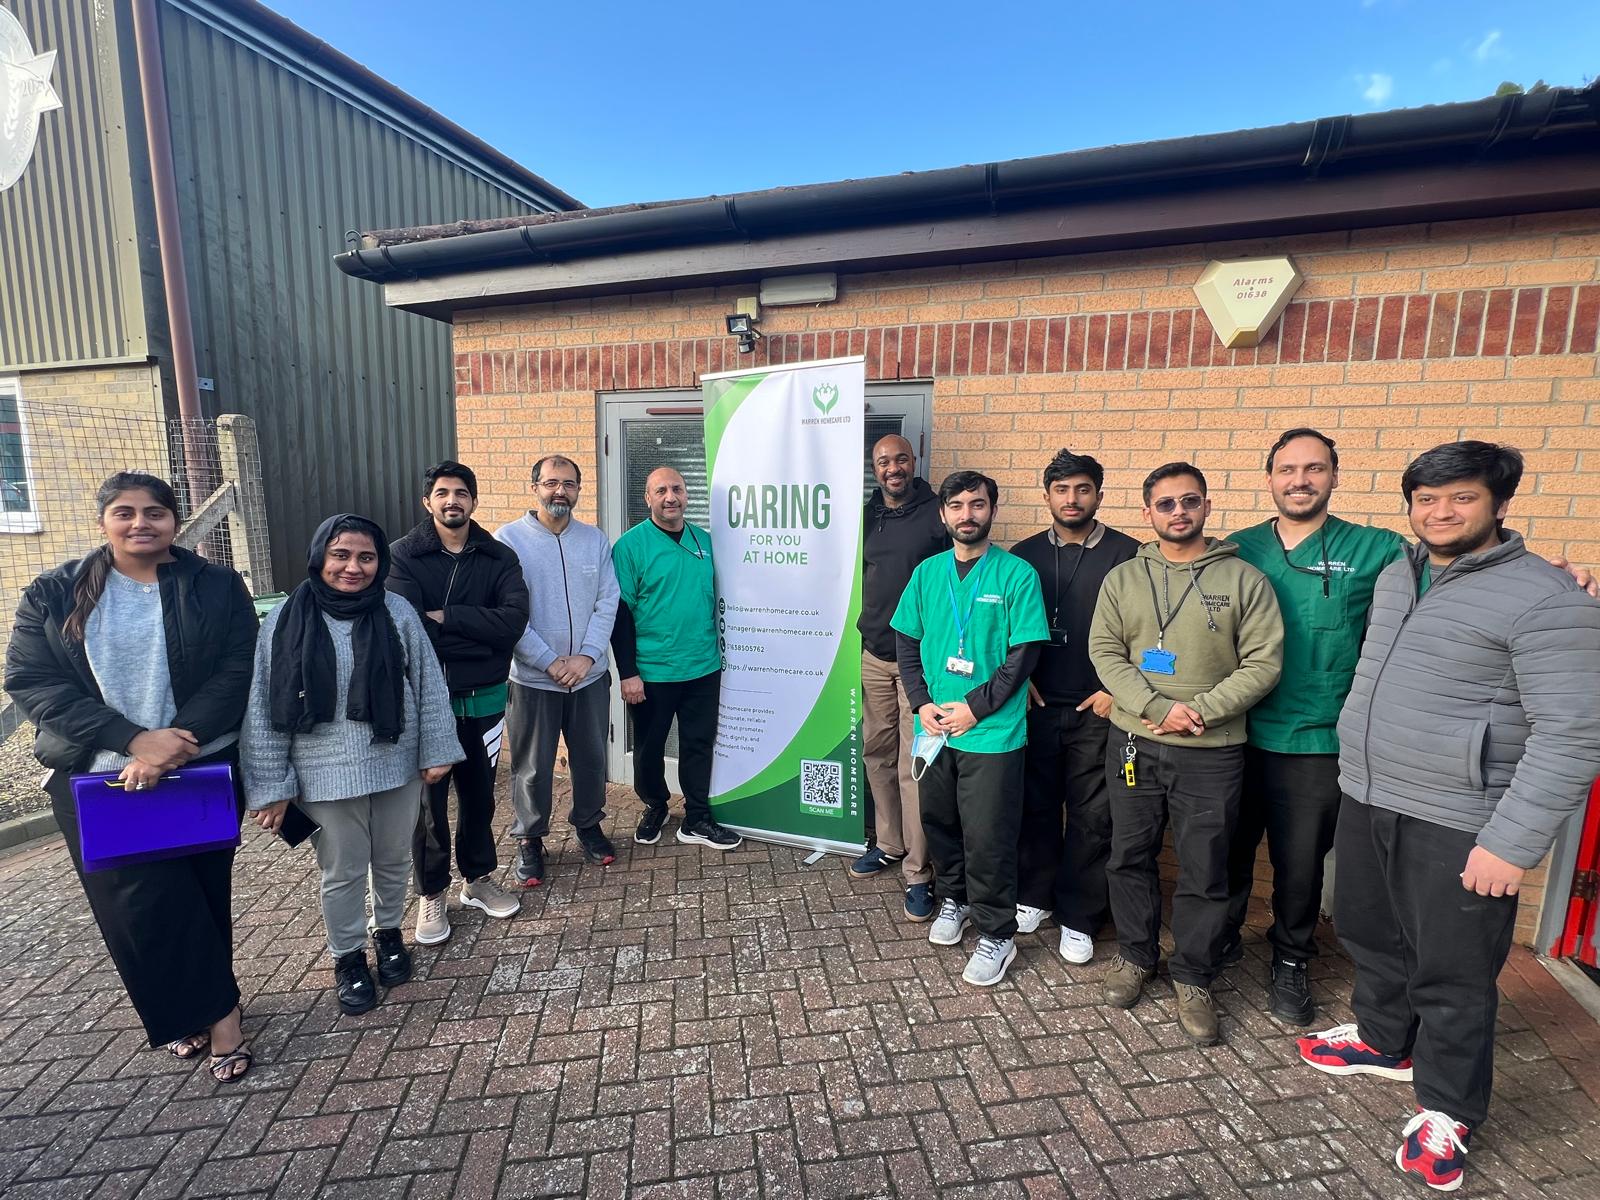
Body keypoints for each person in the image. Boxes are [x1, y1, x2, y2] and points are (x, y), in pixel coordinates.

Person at [1296, 442, 1600, 1194]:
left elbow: (1575, 732)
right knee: (1370, 930)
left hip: (1464, 817)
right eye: (1426, 500)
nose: (1441, 513)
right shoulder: (1401, 572)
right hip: (1371, 792)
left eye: (1460, 497)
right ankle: (1383, 1038)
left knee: (1455, 971)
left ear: (1499, 503)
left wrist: (1511, 842)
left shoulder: (1547, 596)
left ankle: (1449, 1106)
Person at [4, 472, 259, 1082]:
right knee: (141, 913)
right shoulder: (56, 592)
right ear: (103, 521)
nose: (141, 523)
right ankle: (190, 1013)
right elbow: (33, 680)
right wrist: (131, 740)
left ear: (175, 520)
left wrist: (174, 743)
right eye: (125, 513)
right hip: (102, 781)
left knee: (199, 897)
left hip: (197, 770)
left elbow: (238, 666)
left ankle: (221, 1018)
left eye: (155, 513)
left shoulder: (217, 585)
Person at [1087, 462, 1283, 1044]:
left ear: (1205, 507)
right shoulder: (1124, 579)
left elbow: (1264, 662)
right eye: (1166, 504)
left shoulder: (1244, 580)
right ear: (1148, 513)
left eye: (1189, 501)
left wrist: (1202, 710)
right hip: (1133, 740)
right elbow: (1105, 650)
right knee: (1129, 854)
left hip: (1212, 747)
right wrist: (1154, 707)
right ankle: (1135, 957)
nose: (1179, 512)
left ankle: (1193, 976)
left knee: (1205, 865)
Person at [1219, 430, 1408, 1026]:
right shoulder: (1236, 548)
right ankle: (1219, 939)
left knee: (1300, 863)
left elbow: (1458, 576)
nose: (1300, 479)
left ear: (1334, 476)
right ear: (1268, 477)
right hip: (1234, 732)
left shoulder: (1377, 549)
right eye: (1287, 469)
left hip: (1316, 740)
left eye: (1314, 468)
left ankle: (1292, 957)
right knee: (1225, 849)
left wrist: (1546, 568)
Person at [242, 515, 462, 1016]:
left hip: (396, 763)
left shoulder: (396, 611)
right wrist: (272, 783)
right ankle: (347, 957)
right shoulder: (284, 620)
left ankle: (388, 934)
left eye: (366, 557)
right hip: (322, 772)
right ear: (320, 556)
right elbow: (263, 704)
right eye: (341, 555)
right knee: (341, 871)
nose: (353, 567)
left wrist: (436, 749)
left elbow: (427, 683)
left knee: (392, 858)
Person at [890, 470, 1048, 987]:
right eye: (955, 505)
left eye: (976, 505)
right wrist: (921, 703)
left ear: (992, 511)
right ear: (943, 514)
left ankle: (998, 933)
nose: (966, 514)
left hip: (992, 733)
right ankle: (953, 900)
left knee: (989, 835)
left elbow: (1024, 655)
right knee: (941, 823)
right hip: (934, 728)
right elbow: (907, 644)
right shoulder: (927, 573)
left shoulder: (1016, 575)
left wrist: (976, 709)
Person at [388, 461, 529, 943]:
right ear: (428, 502)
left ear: (474, 500)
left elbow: (511, 623)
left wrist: (447, 616)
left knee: (480, 797)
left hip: (487, 699)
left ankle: (477, 879)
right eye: (443, 493)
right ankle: (431, 893)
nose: (453, 500)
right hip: (428, 704)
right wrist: (476, 628)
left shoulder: (498, 557)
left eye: (462, 492)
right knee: (429, 805)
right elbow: (408, 629)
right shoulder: (402, 557)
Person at [1010, 450, 1138, 964]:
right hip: (1037, 702)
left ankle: (1080, 916)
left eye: (1082, 489)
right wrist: (1017, 681)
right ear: (1046, 497)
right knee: (1035, 807)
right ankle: (1034, 896)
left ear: (1099, 496)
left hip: (1099, 707)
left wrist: (1117, 691)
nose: (1071, 499)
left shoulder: (1130, 555)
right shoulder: (1021, 556)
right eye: (1061, 490)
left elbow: (1150, 628)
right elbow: (1003, 632)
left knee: (1092, 815)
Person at [495, 454, 620, 886]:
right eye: (551, 483)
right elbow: (506, 614)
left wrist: (586, 656)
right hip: (533, 679)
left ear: (578, 489)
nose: (559, 491)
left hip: (588, 676)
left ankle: (588, 825)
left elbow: (608, 602)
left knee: (590, 758)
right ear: (535, 488)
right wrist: (548, 660)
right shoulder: (508, 540)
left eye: (568, 483)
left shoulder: (594, 540)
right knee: (532, 765)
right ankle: (530, 839)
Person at [611, 466, 741, 849]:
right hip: (652, 672)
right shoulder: (631, 546)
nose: (671, 497)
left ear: (687, 495)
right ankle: (655, 803)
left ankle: (698, 819)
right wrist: (628, 672)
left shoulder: (706, 541)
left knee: (699, 744)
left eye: (677, 489)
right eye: (661, 490)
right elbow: (620, 614)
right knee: (649, 750)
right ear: (647, 498)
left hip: (703, 667)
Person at [850, 433, 950, 921]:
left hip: (921, 663)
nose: (893, 468)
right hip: (872, 655)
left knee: (918, 767)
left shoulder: (938, 514)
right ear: (874, 468)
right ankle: (888, 843)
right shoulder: (866, 515)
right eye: (883, 461)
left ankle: (919, 870)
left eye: (901, 459)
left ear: (915, 462)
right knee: (876, 754)